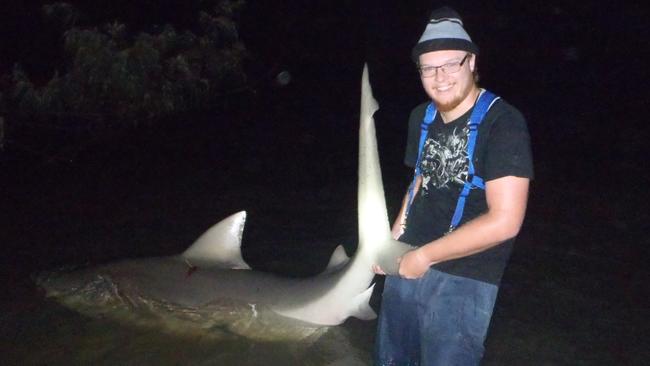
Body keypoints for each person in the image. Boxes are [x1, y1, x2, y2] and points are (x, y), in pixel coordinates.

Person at [373, 6, 534, 365]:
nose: (440, 76)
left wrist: (425, 256)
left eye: (450, 64)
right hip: (407, 259)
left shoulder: (503, 123)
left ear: (472, 61)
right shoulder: (421, 116)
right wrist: (393, 241)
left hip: (466, 278)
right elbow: (419, 181)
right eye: (429, 67)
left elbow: (506, 220)